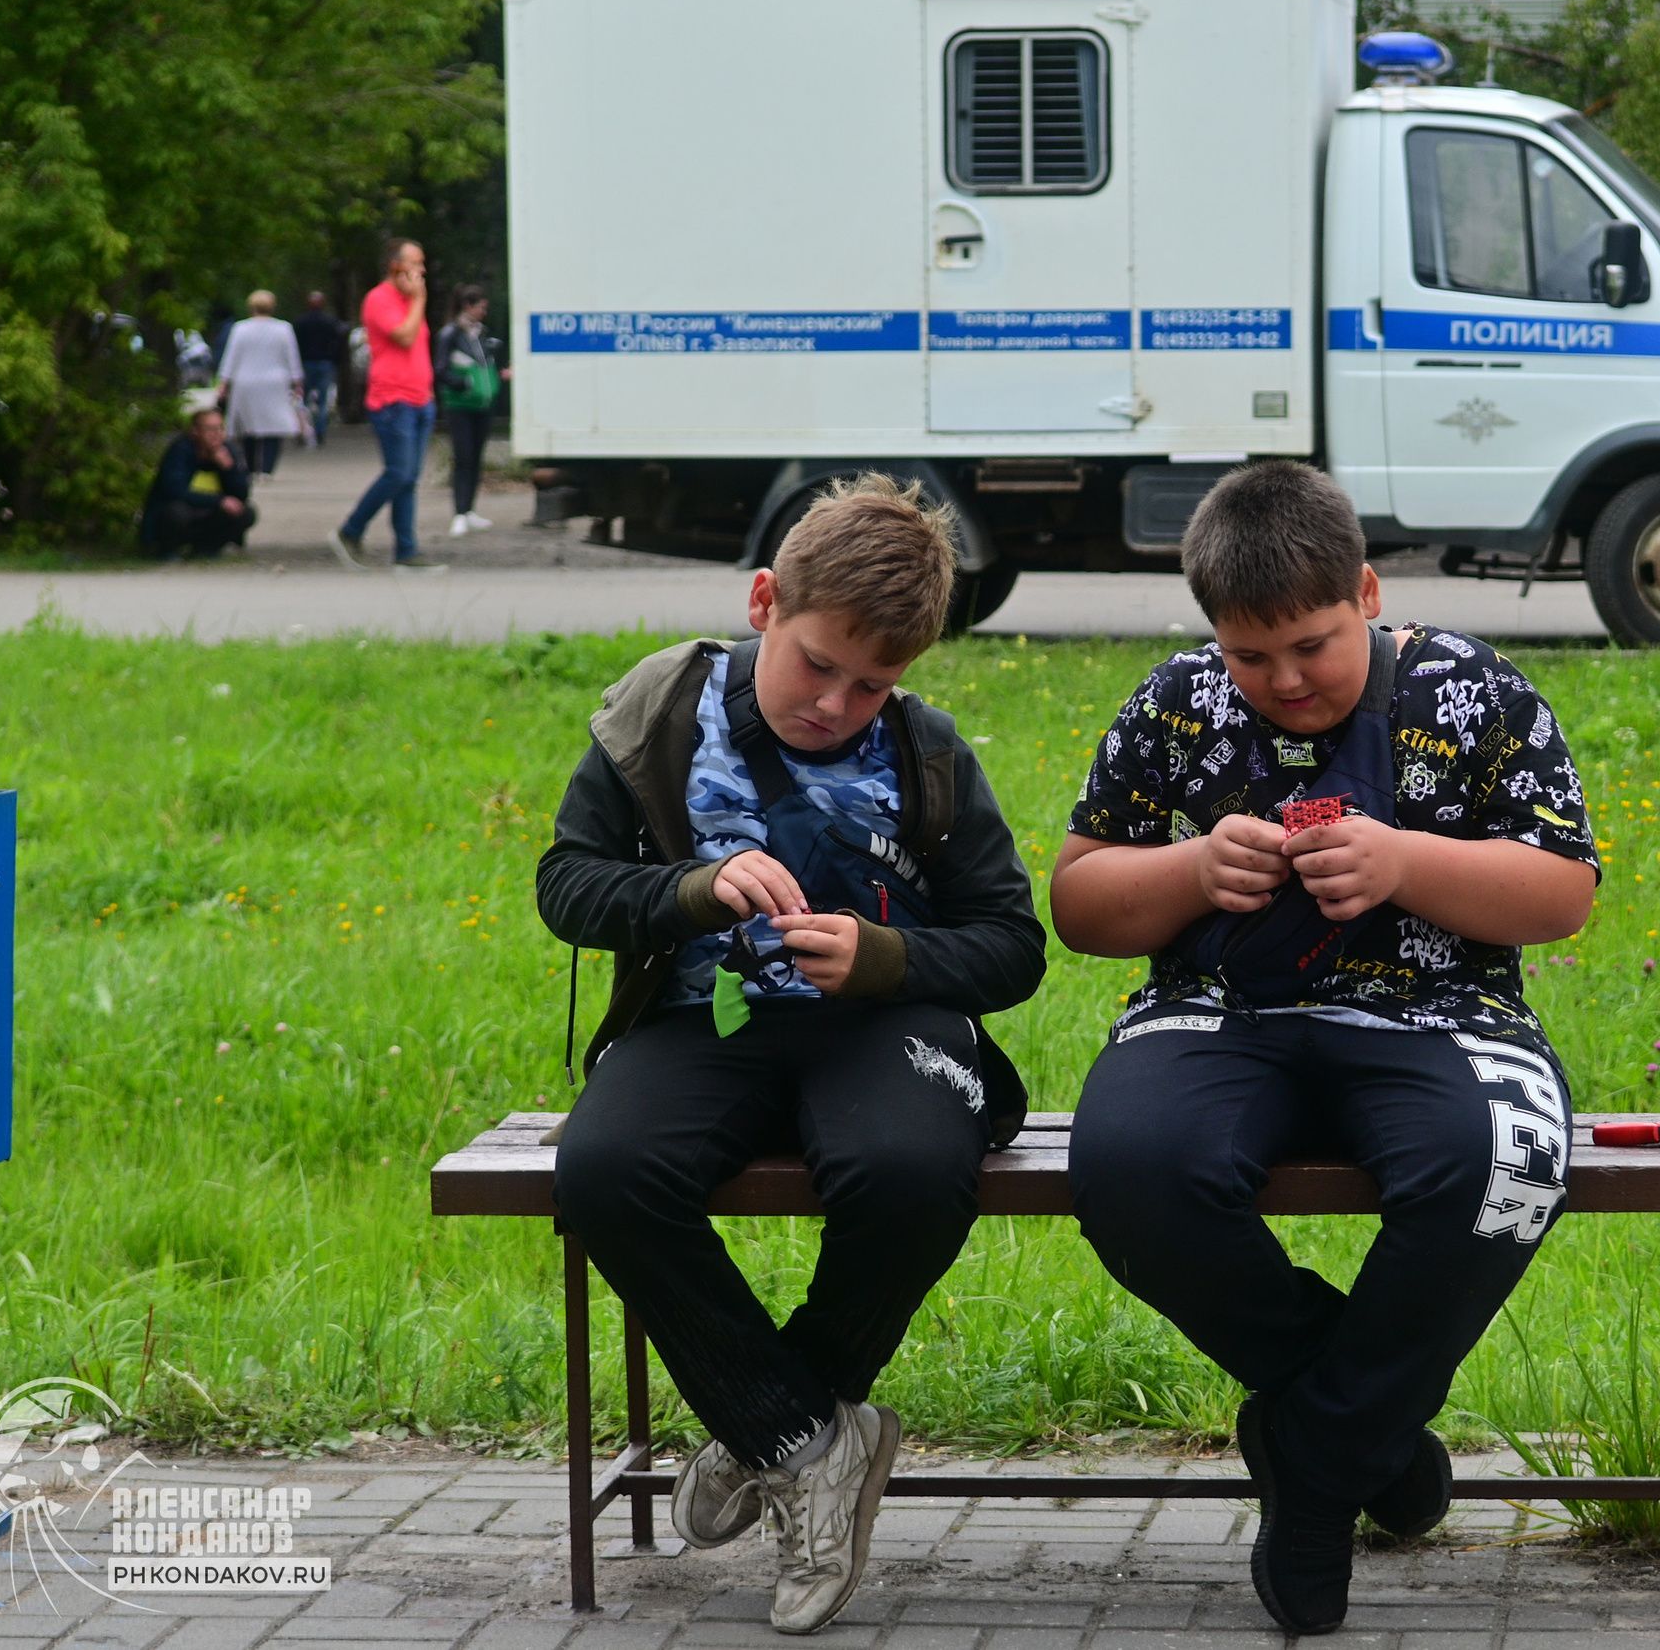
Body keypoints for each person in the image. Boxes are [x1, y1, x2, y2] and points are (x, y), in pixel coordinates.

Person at [1050, 462, 1599, 1635]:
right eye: (1249, 657)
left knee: (1499, 1164)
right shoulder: (1176, 703)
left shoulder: (1470, 690)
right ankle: (1365, 1442)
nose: (1283, 681)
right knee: (1130, 1169)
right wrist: (1191, 871)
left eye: (1309, 645)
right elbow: (1081, 902)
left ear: (1364, 591)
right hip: (1214, 1016)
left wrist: (1405, 863)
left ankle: (1309, 1464)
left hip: (1442, 1015)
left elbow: (1561, 894)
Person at [537, 476, 1045, 1636]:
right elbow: (565, 886)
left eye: (874, 684)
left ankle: (772, 1420)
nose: (836, 702)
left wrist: (886, 961)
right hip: (700, 1023)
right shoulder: (657, 713)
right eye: (817, 663)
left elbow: (1013, 948)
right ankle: (808, 1444)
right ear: (765, 600)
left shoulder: (927, 755)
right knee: (605, 1172)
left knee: (911, 1170)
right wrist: (689, 889)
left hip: (885, 1032)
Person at [332, 239, 443, 570]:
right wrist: (420, 300)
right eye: (416, 263)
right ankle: (350, 531)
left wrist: (427, 389)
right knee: (398, 473)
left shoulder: (410, 302)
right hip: (393, 400)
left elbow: (416, 349)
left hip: (419, 398)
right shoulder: (380, 300)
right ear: (396, 267)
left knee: (409, 478)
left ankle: (406, 551)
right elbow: (404, 337)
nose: (422, 271)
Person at [434, 284, 508, 536]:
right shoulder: (451, 334)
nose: (484, 312)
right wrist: (465, 384)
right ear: (467, 306)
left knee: (476, 457)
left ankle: (469, 509)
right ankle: (459, 512)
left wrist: (497, 377)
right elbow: (441, 370)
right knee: (463, 457)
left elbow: (487, 362)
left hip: (483, 404)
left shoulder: (481, 334)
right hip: (460, 405)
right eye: (481, 307)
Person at [139, 409, 258, 560]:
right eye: (210, 429)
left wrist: (229, 470)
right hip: (182, 514)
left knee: (246, 512)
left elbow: (242, 494)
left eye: (220, 428)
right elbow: (174, 491)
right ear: (195, 431)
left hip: (210, 516)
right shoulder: (180, 452)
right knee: (175, 512)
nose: (217, 434)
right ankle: (167, 550)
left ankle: (207, 549)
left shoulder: (228, 452)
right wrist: (218, 501)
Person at [215, 290, 304, 478]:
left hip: (245, 381)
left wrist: (224, 383)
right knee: (273, 424)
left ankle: (251, 467)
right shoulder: (283, 328)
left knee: (248, 424)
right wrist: (297, 381)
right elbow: (292, 357)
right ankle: (267, 469)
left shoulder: (240, 328)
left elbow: (231, 357)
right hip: (275, 382)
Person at [295, 292, 345, 446]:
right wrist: (335, 360)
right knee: (323, 401)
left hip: (306, 363)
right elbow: (339, 343)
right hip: (325, 363)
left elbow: (296, 345)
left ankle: (304, 430)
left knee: (302, 400)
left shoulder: (301, 323)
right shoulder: (330, 322)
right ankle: (320, 431)